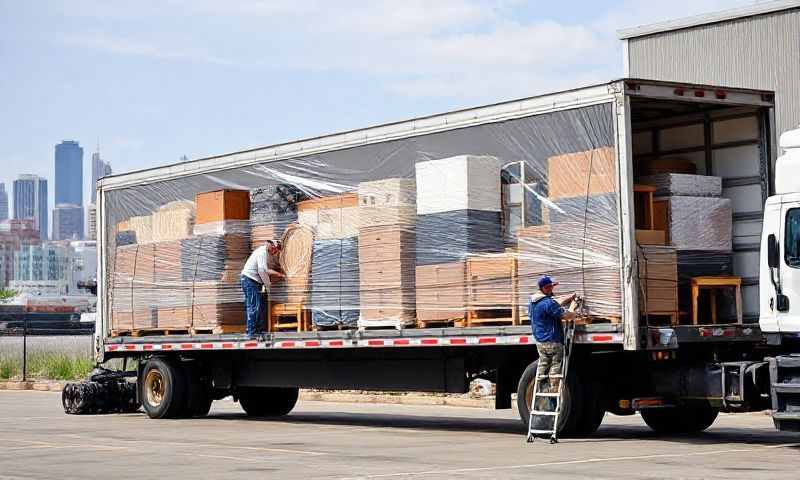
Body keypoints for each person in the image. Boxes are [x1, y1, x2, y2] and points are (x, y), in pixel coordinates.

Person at [529, 276, 577, 392]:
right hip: (553, 341)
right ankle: (554, 390)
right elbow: (567, 316)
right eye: (550, 287)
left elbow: (555, 303)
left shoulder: (533, 301)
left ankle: (539, 388)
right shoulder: (547, 303)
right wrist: (573, 306)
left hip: (540, 341)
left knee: (543, 364)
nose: (552, 289)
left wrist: (569, 297)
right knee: (556, 365)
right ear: (544, 288)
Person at [241, 240, 285, 337]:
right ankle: (251, 332)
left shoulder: (267, 254)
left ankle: (259, 331)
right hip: (250, 280)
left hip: (256, 282)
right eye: (275, 251)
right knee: (254, 306)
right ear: (272, 247)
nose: (275, 254)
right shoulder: (262, 253)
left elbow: (266, 270)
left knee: (260, 306)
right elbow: (262, 271)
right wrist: (269, 283)